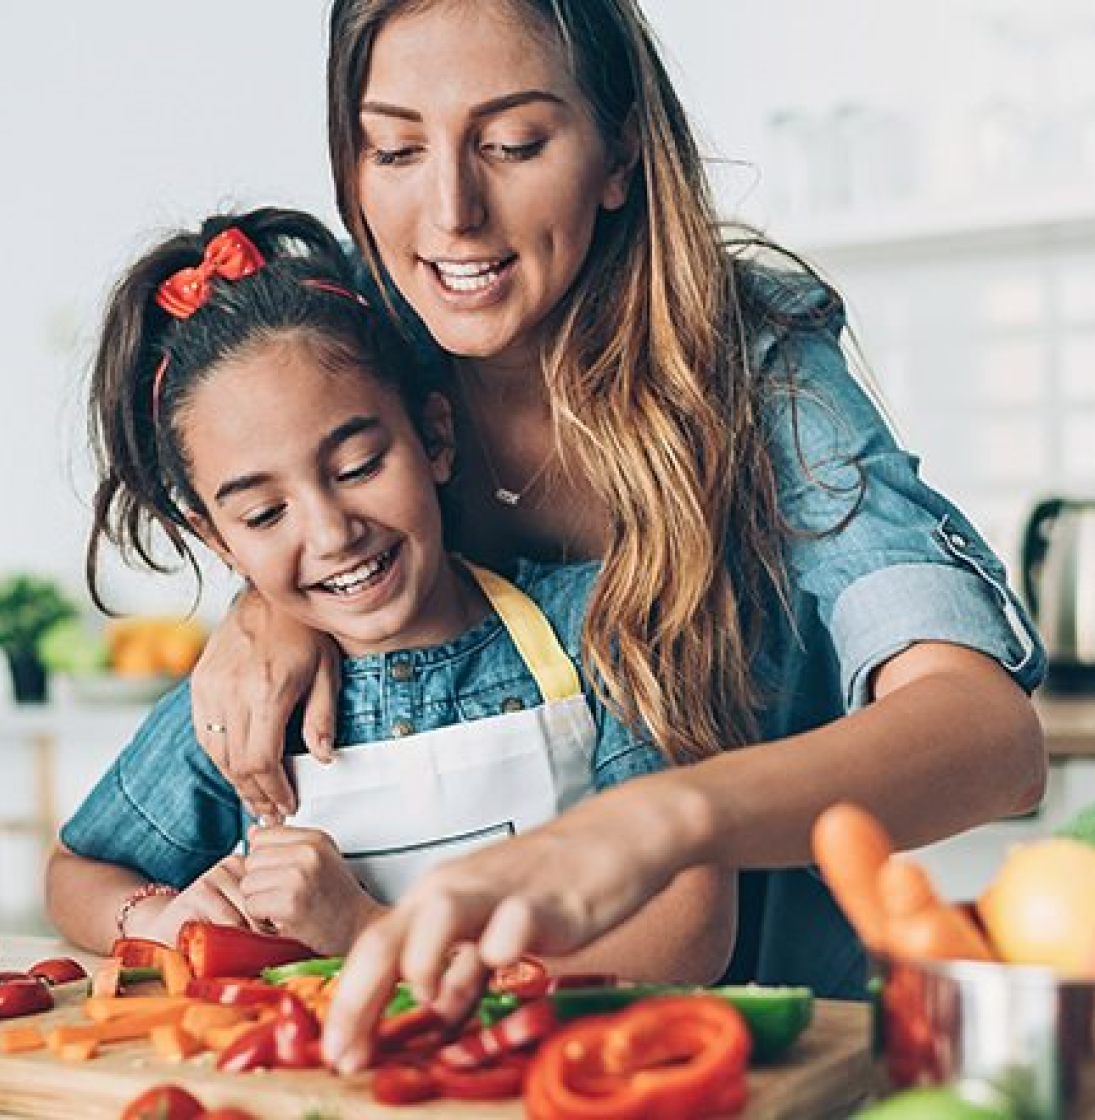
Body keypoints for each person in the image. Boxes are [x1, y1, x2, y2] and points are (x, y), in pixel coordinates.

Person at [183, 0, 1048, 1069]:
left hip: (775, 1059)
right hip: (464, 1067)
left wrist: (664, 819)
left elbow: (991, 738)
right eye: (396, 149)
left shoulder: (757, 367)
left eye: (512, 144)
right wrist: (264, 602)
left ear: (620, 148)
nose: (452, 212)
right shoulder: (356, 364)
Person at [46, 206, 732, 988]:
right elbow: (75, 870)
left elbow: (690, 931)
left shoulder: (599, 627)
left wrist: (371, 931)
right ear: (218, 540)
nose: (333, 533)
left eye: (359, 467)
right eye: (265, 515)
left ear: (434, 438)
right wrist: (157, 919)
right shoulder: (240, 712)